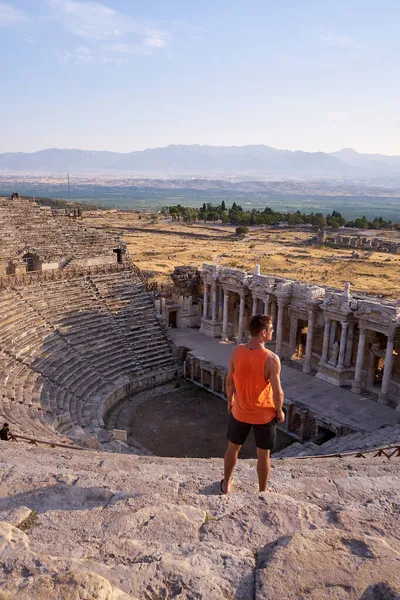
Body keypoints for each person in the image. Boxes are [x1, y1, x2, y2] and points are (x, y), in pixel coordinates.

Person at [221, 314, 285, 494]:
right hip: (264, 414)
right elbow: (277, 391)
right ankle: (263, 491)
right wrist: (279, 411)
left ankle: (226, 484)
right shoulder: (271, 359)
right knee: (263, 455)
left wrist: (230, 400)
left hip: (239, 410)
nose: (273, 332)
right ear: (263, 333)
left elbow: (229, 381)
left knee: (232, 448)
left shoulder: (236, 351)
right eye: (271, 329)